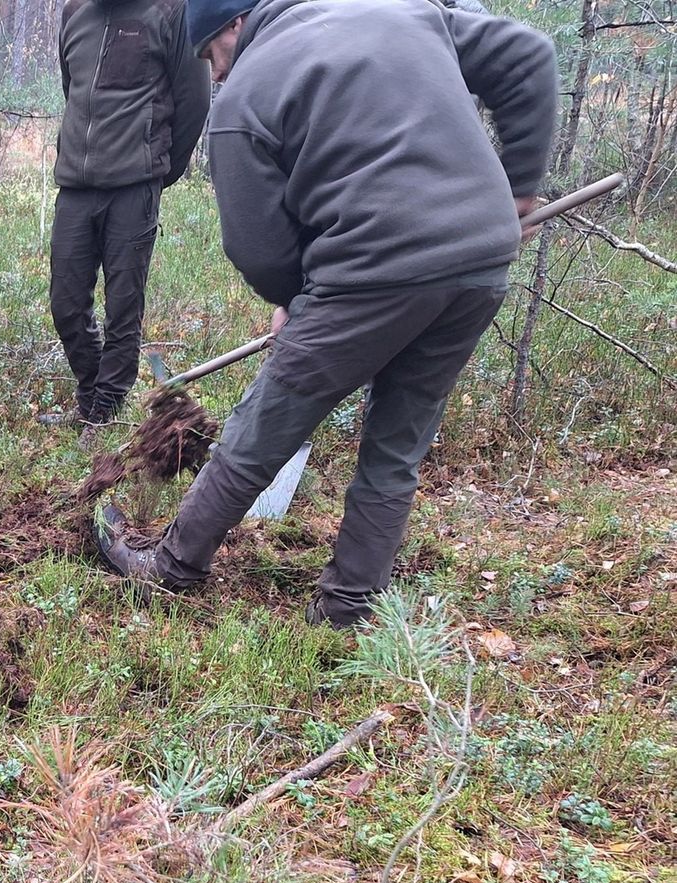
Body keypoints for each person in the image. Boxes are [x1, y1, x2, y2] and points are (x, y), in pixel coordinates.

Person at [95, 0, 556, 629]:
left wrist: (294, 298)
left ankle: (171, 568)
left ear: (232, 27)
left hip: (372, 266)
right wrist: (517, 190)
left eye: (211, 57)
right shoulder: (401, 10)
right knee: (396, 445)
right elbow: (528, 55)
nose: (217, 76)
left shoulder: (242, 99)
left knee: (264, 425)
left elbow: (254, 245)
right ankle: (347, 607)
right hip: (481, 258)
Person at [50, 0, 208, 428]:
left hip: (135, 186)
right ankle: (90, 394)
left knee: (123, 306)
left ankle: (105, 408)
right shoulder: (74, 13)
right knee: (65, 303)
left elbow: (194, 100)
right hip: (76, 185)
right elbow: (74, 90)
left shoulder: (171, 12)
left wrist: (156, 169)